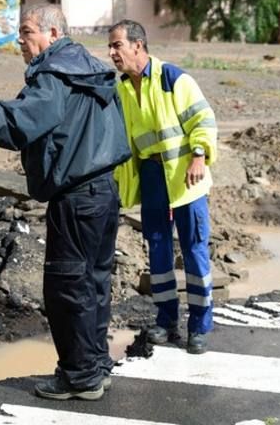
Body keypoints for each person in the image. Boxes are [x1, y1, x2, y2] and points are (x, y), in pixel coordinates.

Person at [0, 4, 130, 400]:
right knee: (93, 283)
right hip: (103, 193)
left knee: (67, 288)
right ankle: (94, 366)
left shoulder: (54, 73)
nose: (20, 39)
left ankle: (80, 378)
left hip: (77, 198)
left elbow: (23, 121)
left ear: (52, 34)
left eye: (27, 31)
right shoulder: (90, 68)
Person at [108, 19, 217, 354]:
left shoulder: (173, 79)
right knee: (158, 249)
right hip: (154, 176)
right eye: (110, 47)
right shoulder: (122, 88)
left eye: (117, 46)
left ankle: (199, 325)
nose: (112, 53)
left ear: (138, 46)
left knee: (194, 250)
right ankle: (166, 318)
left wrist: (199, 155)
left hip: (187, 176)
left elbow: (204, 119)